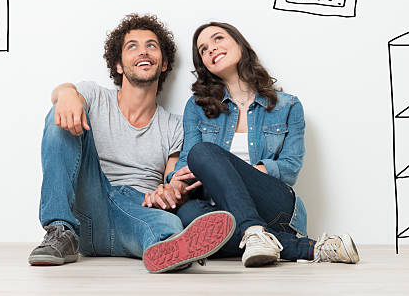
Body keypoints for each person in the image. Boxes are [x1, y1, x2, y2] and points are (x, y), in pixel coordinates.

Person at [29, 14, 235, 273]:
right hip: (89, 204)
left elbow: (173, 179)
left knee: (166, 225)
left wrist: (172, 191)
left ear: (163, 64)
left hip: (137, 212)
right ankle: (60, 230)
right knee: (62, 115)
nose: (143, 51)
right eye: (132, 46)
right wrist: (66, 92)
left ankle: (170, 248)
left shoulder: (174, 125)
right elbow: (64, 98)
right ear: (118, 65)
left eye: (151, 45)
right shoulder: (94, 95)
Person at [143, 21, 359, 267]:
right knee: (190, 215)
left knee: (204, 152)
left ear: (240, 44)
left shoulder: (287, 106)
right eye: (203, 49)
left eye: (218, 39)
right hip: (219, 211)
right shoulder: (197, 107)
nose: (211, 49)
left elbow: (289, 168)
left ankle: (254, 228)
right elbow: (187, 164)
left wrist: (229, 172)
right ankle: (307, 247)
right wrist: (173, 184)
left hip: (275, 206)